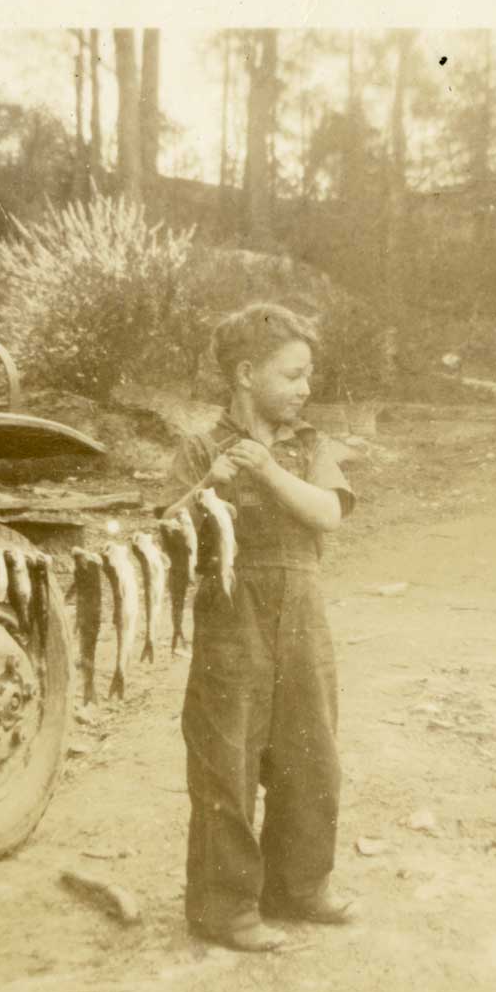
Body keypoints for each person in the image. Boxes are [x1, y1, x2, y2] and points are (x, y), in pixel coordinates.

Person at [168, 302, 358, 952]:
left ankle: (300, 887)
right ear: (247, 374)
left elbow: (328, 513)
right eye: (292, 375)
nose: (305, 389)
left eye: (308, 375)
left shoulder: (309, 446)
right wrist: (205, 489)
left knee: (313, 756)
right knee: (226, 759)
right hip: (231, 623)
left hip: (304, 620)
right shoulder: (199, 447)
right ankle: (225, 908)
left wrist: (268, 470)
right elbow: (167, 534)